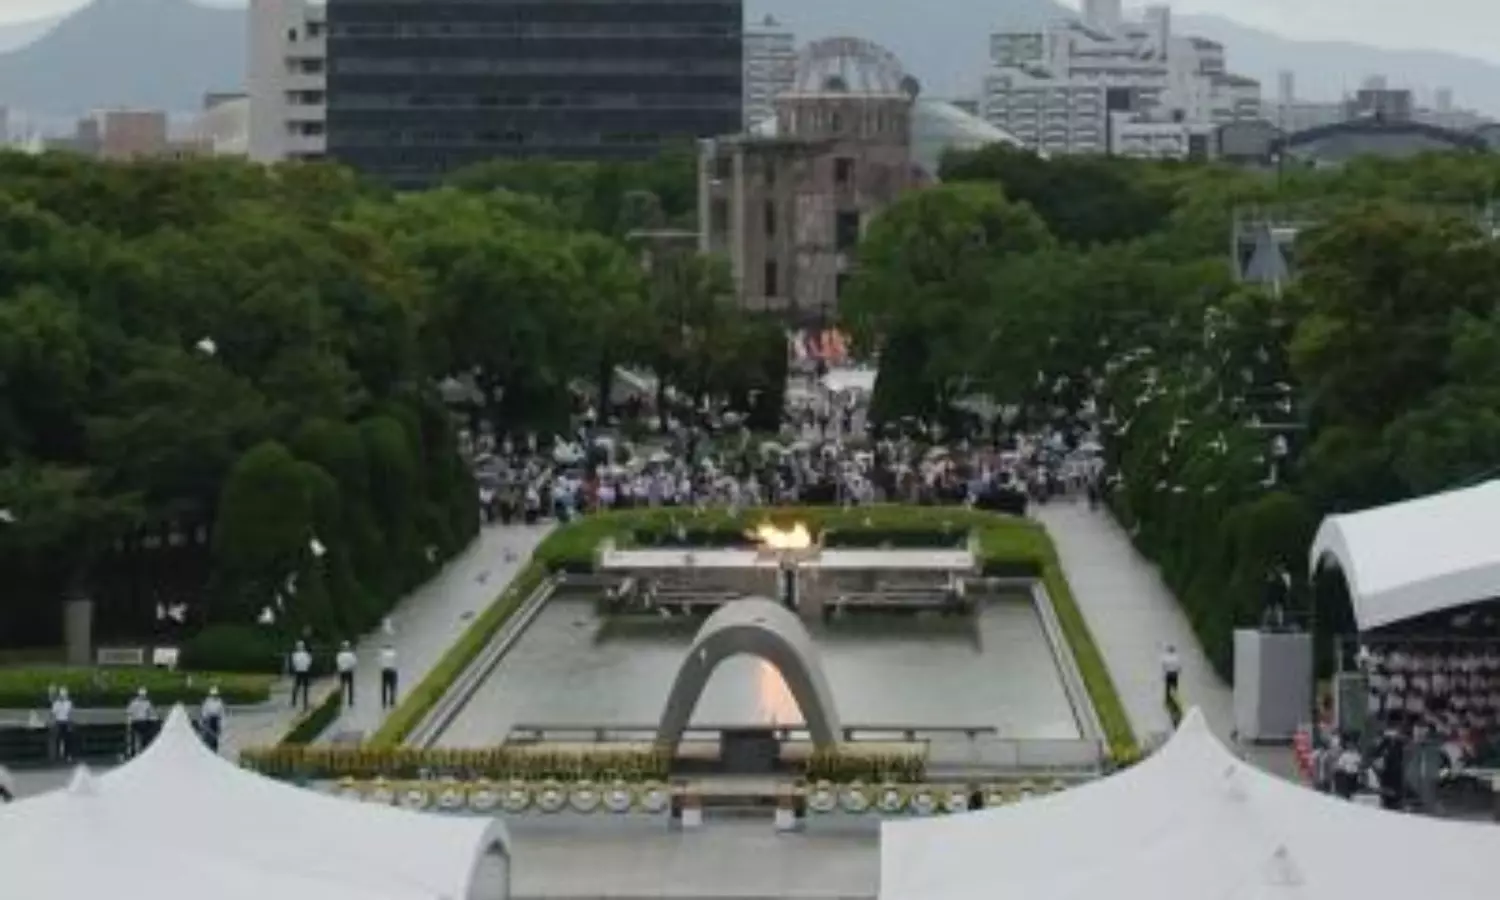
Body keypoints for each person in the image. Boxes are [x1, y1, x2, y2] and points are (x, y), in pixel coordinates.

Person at [125, 687, 155, 758]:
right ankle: (140, 751)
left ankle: (135, 752)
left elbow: (129, 713)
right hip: (142, 722)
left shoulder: (134, 702)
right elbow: (150, 713)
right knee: (142, 738)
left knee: (137, 738)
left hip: (137, 722)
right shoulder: (147, 703)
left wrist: (129, 723)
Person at [50, 687, 73, 762]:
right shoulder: (56, 703)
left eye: (65, 695)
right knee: (58, 740)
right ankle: (57, 756)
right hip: (58, 722)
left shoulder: (68, 703)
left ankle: (67, 755)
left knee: (67, 740)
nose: (63, 696)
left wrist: (70, 724)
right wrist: (53, 723)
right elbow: (53, 713)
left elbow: (70, 714)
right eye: (62, 695)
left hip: (66, 722)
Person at [200, 686, 226, 752]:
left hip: (216, 721)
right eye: (213, 695)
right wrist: (204, 721)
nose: (214, 696)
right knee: (208, 738)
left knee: (215, 739)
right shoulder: (207, 702)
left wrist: (221, 725)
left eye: (215, 694)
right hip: (209, 720)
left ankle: (215, 751)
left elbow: (221, 714)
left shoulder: (220, 702)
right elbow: (204, 712)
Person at [290, 641, 313, 710]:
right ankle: (305, 702)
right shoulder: (307, 654)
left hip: (298, 671)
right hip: (305, 671)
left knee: (296, 686)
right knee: (305, 688)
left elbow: (294, 663)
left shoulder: (294, 655)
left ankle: (293, 701)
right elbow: (309, 662)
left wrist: (297, 667)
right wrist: (306, 667)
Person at [336, 640, 357, 707]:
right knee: (350, 686)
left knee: (342, 686)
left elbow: (338, 663)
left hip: (342, 672)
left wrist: (341, 668)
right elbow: (354, 663)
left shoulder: (340, 655)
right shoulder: (351, 655)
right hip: (349, 671)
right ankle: (350, 701)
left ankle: (342, 700)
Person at [379, 644, 399, 709]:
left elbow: (379, 662)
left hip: (384, 671)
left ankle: (384, 702)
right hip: (392, 671)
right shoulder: (393, 653)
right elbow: (396, 661)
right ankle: (392, 702)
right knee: (392, 687)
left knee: (384, 687)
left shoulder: (382, 653)